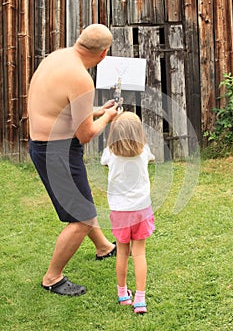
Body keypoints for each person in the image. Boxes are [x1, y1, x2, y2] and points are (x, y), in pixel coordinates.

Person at [28, 24, 118, 296]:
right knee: (81, 217)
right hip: (58, 151)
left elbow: (60, 104)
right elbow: (86, 134)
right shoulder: (81, 78)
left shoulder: (57, 57)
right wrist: (107, 117)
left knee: (83, 202)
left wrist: (95, 109)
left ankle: (104, 247)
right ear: (103, 54)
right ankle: (52, 278)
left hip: (45, 145)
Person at [100, 112, 155, 314]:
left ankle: (123, 294)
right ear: (139, 133)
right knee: (139, 253)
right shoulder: (144, 151)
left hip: (120, 212)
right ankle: (140, 299)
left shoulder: (109, 153)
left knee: (122, 253)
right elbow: (149, 157)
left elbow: (103, 162)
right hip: (141, 210)